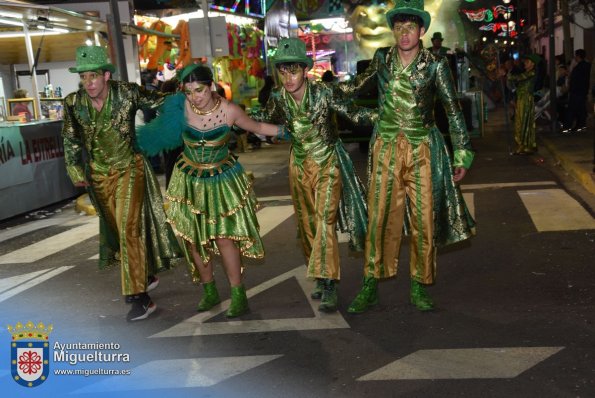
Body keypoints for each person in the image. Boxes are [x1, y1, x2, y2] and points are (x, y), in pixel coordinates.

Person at [342, 0, 475, 313]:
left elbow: (451, 109)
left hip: (422, 150)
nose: (404, 34)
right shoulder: (381, 59)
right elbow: (358, 87)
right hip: (385, 148)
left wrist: (462, 155)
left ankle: (419, 284)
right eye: (399, 28)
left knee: (423, 220)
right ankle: (371, 284)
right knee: (379, 219)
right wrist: (326, 91)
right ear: (392, 30)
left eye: (410, 28)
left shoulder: (435, 65)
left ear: (422, 31)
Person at [137, 64, 280, 318]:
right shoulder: (179, 109)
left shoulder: (230, 111)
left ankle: (238, 294)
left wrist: (290, 131)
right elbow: (153, 131)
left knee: (225, 238)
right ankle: (209, 290)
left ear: (211, 86)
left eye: (200, 90)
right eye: (189, 92)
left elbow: (257, 128)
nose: (195, 97)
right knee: (194, 240)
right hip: (190, 179)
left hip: (221, 180)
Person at [254, 38, 377, 313]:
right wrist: (239, 121)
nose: (288, 78)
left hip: (327, 163)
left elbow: (353, 114)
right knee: (307, 225)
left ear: (305, 70)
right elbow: (265, 120)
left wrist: (385, 116)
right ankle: (321, 276)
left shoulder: (324, 93)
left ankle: (330, 282)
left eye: (293, 71)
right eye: (283, 72)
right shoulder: (277, 98)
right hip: (298, 165)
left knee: (323, 222)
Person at [61, 46, 180, 321]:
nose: (88, 82)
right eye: (83, 77)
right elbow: (70, 139)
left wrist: (191, 97)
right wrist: (74, 167)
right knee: (117, 232)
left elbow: (159, 100)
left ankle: (140, 298)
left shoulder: (126, 92)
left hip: (129, 168)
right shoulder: (72, 104)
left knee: (129, 229)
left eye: (93, 76)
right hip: (99, 176)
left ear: (105, 75)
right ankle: (145, 271)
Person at [507, 54, 540, 154]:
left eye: (527, 62)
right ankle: (524, 144)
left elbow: (518, 78)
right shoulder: (527, 73)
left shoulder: (532, 73)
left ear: (532, 64)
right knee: (520, 121)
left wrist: (508, 75)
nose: (525, 63)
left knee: (524, 121)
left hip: (526, 100)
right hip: (521, 99)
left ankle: (525, 145)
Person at [563, 49, 591, 134]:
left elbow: (574, 79)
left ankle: (568, 127)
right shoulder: (588, 66)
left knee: (572, 109)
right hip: (583, 91)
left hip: (576, 91)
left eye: (575, 56)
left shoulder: (578, 67)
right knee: (581, 109)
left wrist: (570, 88)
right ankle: (581, 125)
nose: (574, 57)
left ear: (578, 56)